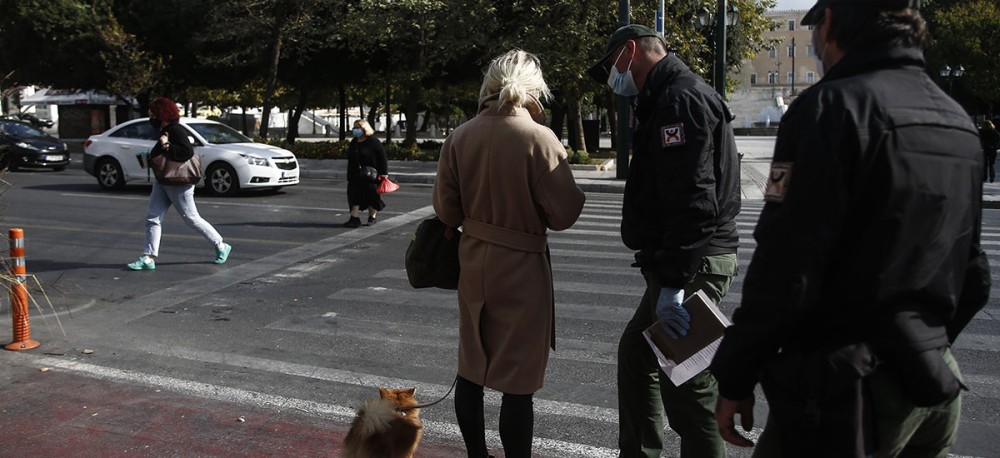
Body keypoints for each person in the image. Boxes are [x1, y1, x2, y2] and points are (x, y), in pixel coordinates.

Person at [710, 2, 991, 457]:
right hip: (933, 380)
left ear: (833, 25)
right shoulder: (955, 119)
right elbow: (974, 273)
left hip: (849, 389)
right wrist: (922, 343)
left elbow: (787, 266)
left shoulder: (830, 108)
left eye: (816, 26)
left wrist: (738, 373)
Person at [587, 24, 741, 458]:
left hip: (691, 264)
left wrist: (674, 282)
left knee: (689, 388)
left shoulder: (679, 100)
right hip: (680, 261)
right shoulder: (667, 97)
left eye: (613, 67)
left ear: (630, 52)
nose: (616, 81)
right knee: (637, 358)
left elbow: (694, 201)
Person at [432, 49, 585, 457]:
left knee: (471, 368)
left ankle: (476, 455)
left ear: (489, 84)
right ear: (535, 89)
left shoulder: (460, 136)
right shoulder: (540, 138)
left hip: (474, 261)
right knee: (518, 383)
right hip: (522, 269)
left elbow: (446, 211)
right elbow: (564, 214)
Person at [127, 97, 231, 271]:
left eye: (153, 113)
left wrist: (166, 145)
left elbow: (186, 152)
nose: (150, 117)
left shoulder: (175, 130)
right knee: (153, 218)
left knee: (191, 218)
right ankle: (148, 257)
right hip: (163, 181)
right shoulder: (164, 129)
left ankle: (221, 245)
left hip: (178, 182)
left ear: (162, 114)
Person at [344, 119, 387, 228]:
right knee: (353, 195)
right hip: (355, 175)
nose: (355, 130)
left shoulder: (373, 141)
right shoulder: (354, 142)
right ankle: (354, 217)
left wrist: (384, 173)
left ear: (364, 128)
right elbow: (350, 159)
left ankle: (372, 217)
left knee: (371, 195)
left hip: (371, 175)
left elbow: (382, 157)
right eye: (354, 128)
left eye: (357, 128)